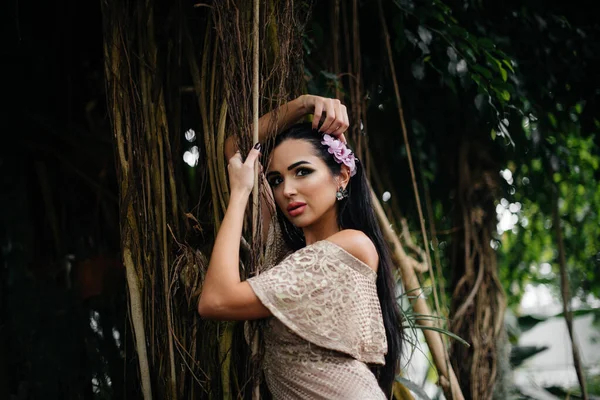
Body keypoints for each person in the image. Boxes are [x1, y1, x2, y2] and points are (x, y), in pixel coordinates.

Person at [198, 95, 403, 399]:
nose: (287, 191)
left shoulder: (351, 247)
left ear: (342, 177)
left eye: (303, 171)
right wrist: (304, 105)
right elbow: (236, 150)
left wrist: (240, 194)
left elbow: (215, 300)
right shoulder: (284, 253)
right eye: (276, 179)